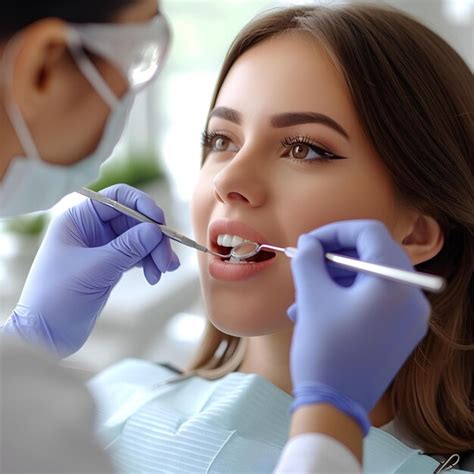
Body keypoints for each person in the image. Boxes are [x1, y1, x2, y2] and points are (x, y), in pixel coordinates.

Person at [88, 3, 473, 473]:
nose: (229, 179)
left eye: (303, 148)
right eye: (222, 140)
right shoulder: (103, 399)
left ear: (415, 232)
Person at [0, 1, 180, 471]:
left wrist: (28, 337)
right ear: (44, 65)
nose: (230, 184)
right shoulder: (24, 414)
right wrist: (328, 420)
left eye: (306, 149)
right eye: (141, 53)